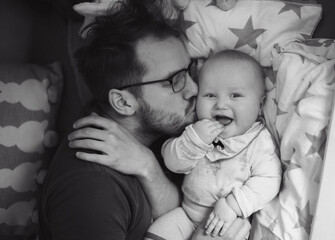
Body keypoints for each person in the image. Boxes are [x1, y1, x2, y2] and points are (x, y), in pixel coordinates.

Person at [39, 0, 251, 239]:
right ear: (124, 102)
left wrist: (148, 167)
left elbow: (175, 213)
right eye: (175, 80)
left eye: (190, 70)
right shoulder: (91, 187)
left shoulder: (154, 133)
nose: (194, 89)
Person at [144, 50, 282, 240]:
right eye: (209, 95)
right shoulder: (194, 129)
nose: (221, 104)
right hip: (185, 213)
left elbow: (269, 179)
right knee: (159, 231)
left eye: (235, 95)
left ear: (260, 105)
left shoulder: (258, 140)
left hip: (226, 225)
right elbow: (172, 161)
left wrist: (234, 204)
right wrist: (194, 141)